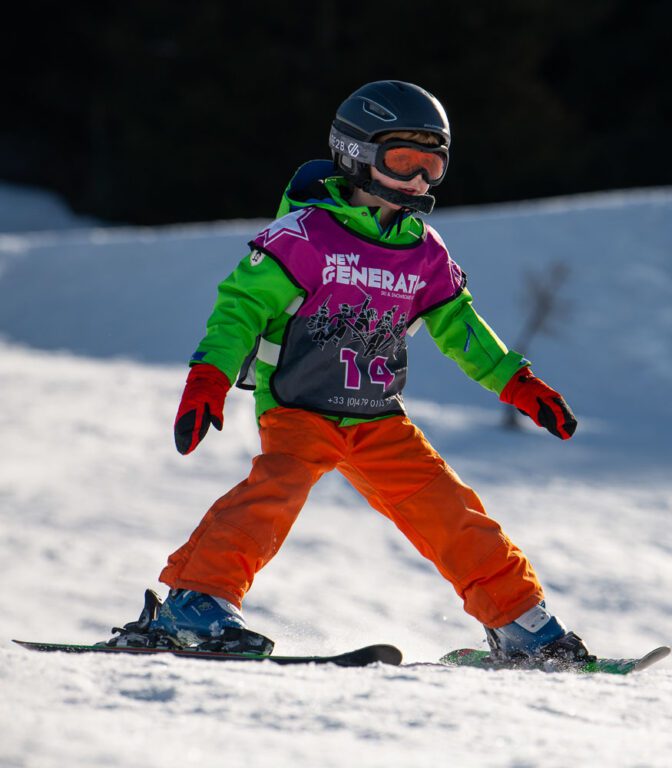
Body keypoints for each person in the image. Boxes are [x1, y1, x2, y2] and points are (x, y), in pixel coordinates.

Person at [138, 80, 591, 665]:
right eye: (403, 162)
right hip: (300, 406)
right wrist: (210, 378)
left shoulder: (423, 250)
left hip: (379, 416)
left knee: (451, 511)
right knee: (273, 494)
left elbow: (461, 326)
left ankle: (520, 624)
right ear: (355, 153)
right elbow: (239, 310)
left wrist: (517, 382)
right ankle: (194, 604)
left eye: (433, 166)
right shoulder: (302, 237)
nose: (419, 182)